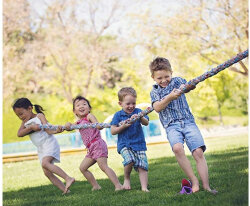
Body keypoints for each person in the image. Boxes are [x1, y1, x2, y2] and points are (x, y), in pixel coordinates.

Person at [149, 57, 217, 194]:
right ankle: (194, 181)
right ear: (153, 77)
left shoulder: (178, 81)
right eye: (159, 78)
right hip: (171, 125)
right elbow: (156, 107)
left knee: (198, 152)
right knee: (177, 148)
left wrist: (191, 85)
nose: (163, 80)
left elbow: (189, 87)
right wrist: (169, 97)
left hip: (187, 121)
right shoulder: (154, 91)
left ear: (171, 72)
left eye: (166, 76)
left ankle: (206, 186)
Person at [12, 98, 75, 194]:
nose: (20, 117)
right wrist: (31, 128)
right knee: (47, 173)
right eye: (18, 115)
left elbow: (48, 129)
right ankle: (66, 191)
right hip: (41, 148)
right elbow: (19, 134)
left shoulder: (39, 116)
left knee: (45, 163)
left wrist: (56, 130)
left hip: (49, 143)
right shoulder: (25, 123)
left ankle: (68, 178)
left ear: (30, 108)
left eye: (21, 113)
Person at [64, 96, 123, 191]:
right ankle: (96, 186)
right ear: (74, 111)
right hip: (90, 149)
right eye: (78, 105)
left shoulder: (89, 117)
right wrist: (67, 124)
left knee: (103, 166)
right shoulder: (78, 122)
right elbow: (69, 127)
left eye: (84, 104)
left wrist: (99, 126)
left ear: (89, 108)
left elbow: (97, 125)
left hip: (97, 144)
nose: (81, 106)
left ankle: (118, 185)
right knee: (83, 168)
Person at [110, 87, 150, 192]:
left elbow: (146, 123)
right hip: (125, 144)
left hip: (139, 143)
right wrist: (123, 127)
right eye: (128, 104)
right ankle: (126, 179)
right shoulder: (118, 115)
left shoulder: (138, 112)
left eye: (133, 103)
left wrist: (141, 117)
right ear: (120, 103)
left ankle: (144, 188)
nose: (131, 106)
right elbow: (113, 131)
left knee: (142, 166)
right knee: (130, 160)